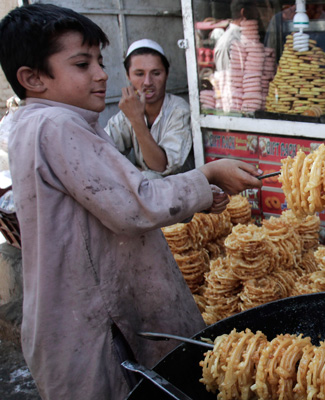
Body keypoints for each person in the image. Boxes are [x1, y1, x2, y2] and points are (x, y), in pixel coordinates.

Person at [0, 4, 262, 400]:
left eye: (100, 62)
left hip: (75, 320)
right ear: (32, 77)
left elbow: (119, 188)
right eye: (82, 64)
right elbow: (135, 203)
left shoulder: (38, 123)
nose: (101, 74)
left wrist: (200, 192)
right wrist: (206, 176)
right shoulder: (56, 125)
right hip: (98, 328)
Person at [105, 39, 193, 179]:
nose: (147, 82)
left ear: (166, 74)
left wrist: (136, 119)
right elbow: (101, 153)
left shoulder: (179, 111)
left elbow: (160, 167)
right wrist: (134, 170)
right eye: (139, 74)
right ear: (128, 76)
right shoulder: (128, 112)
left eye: (156, 73)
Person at [213, 0, 259, 72]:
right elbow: (226, 77)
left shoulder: (249, 38)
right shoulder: (227, 43)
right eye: (255, 11)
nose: (257, 15)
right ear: (244, 13)